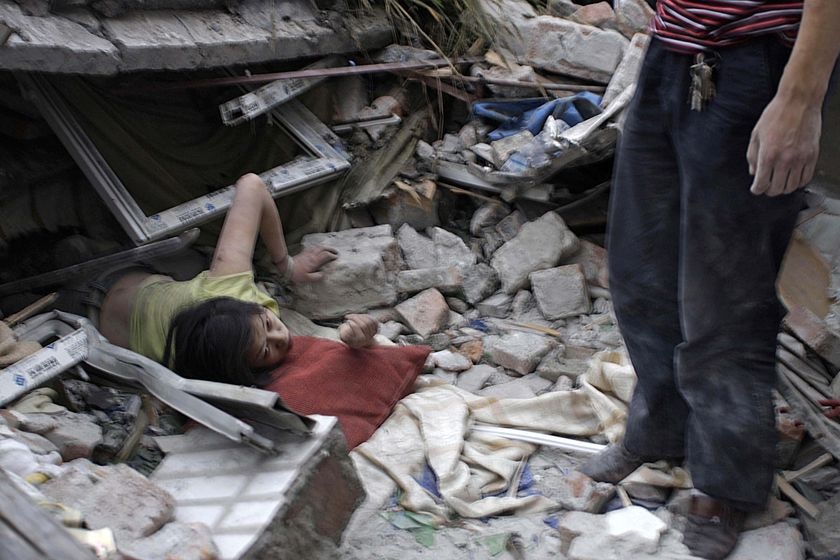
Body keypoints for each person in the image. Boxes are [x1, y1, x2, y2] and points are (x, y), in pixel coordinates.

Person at [577, 1, 840, 559]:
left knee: (724, 299)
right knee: (638, 270)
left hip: (759, 64)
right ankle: (663, 430)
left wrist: (799, 99)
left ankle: (726, 481)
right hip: (672, 51)